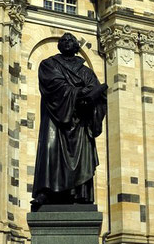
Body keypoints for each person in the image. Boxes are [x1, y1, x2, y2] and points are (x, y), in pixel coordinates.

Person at [31, 32, 108, 209]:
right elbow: (52, 85)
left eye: (70, 41)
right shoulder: (49, 64)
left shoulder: (86, 71)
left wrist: (92, 96)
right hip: (56, 117)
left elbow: (97, 92)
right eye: (63, 40)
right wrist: (78, 93)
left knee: (81, 157)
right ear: (59, 45)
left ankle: (78, 194)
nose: (66, 42)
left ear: (76, 46)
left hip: (79, 121)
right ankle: (46, 192)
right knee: (50, 150)